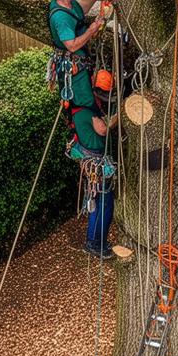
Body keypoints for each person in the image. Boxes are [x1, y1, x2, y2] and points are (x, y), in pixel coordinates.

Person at [71, 69, 120, 258]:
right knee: (104, 204)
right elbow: (104, 129)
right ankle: (94, 243)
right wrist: (119, 115)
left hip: (93, 161)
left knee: (98, 202)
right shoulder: (86, 111)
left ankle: (95, 241)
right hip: (96, 162)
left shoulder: (79, 108)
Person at [46, 0, 110, 110]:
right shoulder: (61, 19)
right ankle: (88, 124)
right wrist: (91, 30)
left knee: (92, 88)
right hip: (73, 64)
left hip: (82, 58)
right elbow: (72, 46)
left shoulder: (68, 2)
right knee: (83, 99)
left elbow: (82, 9)